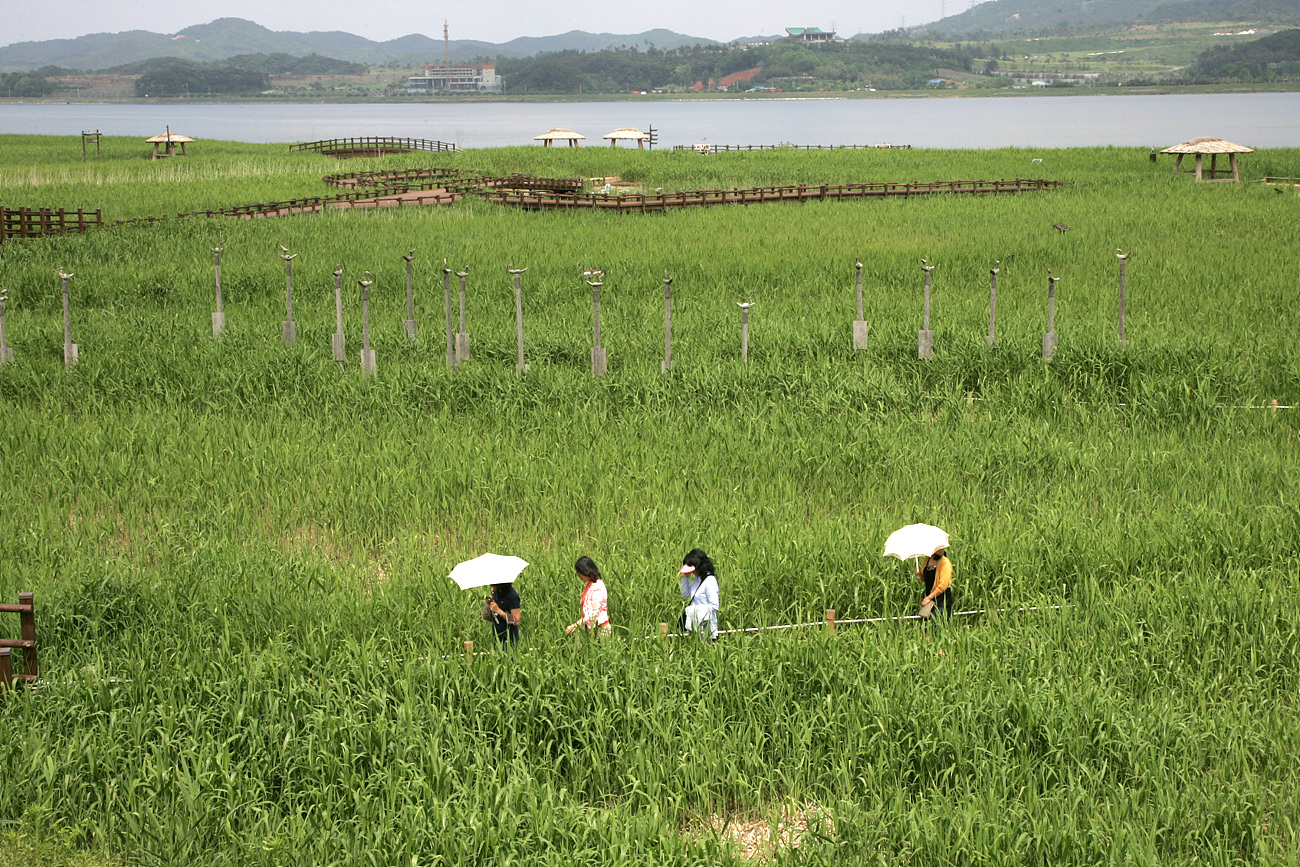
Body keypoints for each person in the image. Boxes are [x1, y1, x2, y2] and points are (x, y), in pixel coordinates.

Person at [679, 548, 720, 641]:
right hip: (695, 627)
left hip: (707, 629)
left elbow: (715, 606)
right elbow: (685, 594)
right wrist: (685, 577)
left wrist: (694, 610)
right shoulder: (696, 580)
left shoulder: (710, 581)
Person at [566, 555, 611, 639]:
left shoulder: (597, 588)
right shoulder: (590, 585)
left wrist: (574, 626)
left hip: (599, 630)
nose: (579, 575)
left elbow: (592, 614)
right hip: (588, 628)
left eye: (580, 572)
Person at [916, 548, 953, 624]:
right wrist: (920, 574)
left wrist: (928, 598)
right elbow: (926, 579)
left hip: (942, 600)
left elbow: (943, 585)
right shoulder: (928, 559)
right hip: (930, 599)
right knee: (925, 628)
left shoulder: (945, 563)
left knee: (934, 627)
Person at [486, 582, 522, 647]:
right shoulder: (497, 592)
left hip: (509, 638)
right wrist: (491, 597)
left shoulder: (512, 596)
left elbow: (516, 620)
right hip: (497, 635)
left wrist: (499, 611)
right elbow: (486, 615)